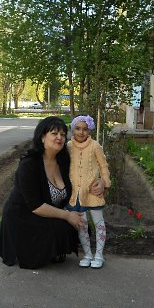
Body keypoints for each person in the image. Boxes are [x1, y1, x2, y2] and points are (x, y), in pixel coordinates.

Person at [0, 116, 87, 269]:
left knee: (78, 224)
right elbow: (35, 206)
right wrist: (67, 215)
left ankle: (53, 250)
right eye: (54, 133)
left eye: (63, 134)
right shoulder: (29, 164)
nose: (60, 138)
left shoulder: (63, 160)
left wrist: (101, 183)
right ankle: (31, 252)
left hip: (44, 212)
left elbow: (86, 173)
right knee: (62, 227)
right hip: (23, 217)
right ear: (42, 137)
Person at [66, 115, 111, 269]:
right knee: (82, 225)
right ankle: (87, 254)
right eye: (78, 128)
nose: (81, 132)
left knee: (99, 223)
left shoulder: (95, 146)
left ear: (89, 130)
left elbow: (103, 166)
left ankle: (99, 254)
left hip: (93, 192)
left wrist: (105, 183)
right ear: (73, 129)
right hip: (76, 194)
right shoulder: (68, 147)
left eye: (85, 129)